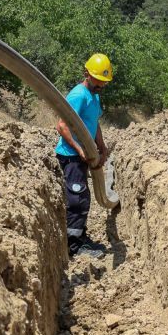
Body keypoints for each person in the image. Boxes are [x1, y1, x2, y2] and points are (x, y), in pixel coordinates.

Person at [56, 52, 113, 259]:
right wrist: (80, 150)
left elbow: (93, 122)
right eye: (99, 80)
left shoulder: (94, 95)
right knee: (77, 200)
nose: (102, 85)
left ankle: (80, 238)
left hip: (82, 156)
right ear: (87, 74)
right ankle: (74, 247)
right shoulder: (78, 95)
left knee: (82, 198)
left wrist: (102, 147)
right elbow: (62, 126)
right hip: (71, 156)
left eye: (104, 82)